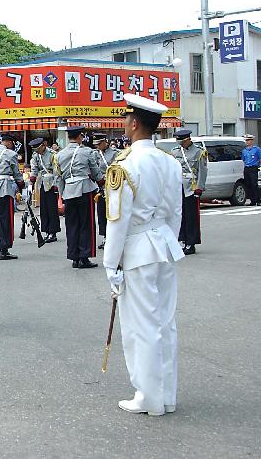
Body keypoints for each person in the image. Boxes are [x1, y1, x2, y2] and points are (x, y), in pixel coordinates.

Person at [104, 93, 184, 416]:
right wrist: (167, 240)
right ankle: (166, 395)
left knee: (141, 325)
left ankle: (148, 396)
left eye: (126, 118)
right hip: (164, 245)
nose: (125, 123)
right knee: (165, 322)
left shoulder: (124, 166)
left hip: (138, 249)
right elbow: (176, 213)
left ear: (134, 123)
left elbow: (118, 221)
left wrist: (111, 264)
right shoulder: (170, 162)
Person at [54, 126, 102, 269]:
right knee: (86, 224)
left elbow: (59, 177)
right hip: (84, 190)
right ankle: (84, 257)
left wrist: (62, 195)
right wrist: (101, 182)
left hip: (69, 191)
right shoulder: (87, 152)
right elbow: (95, 171)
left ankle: (74, 256)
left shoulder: (59, 155)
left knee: (72, 225)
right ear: (80, 137)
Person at [0, 134, 24, 260]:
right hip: (4, 188)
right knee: (5, 219)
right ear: (8, 142)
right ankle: (4, 248)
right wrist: (20, 184)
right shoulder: (10, 154)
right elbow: (16, 172)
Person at [171, 129, 208, 255]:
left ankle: (191, 243)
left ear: (187, 139)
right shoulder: (175, 151)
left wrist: (200, 187)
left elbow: (203, 171)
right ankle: (183, 240)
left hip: (191, 187)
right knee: (180, 215)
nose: (179, 143)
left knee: (191, 216)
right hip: (178, 186)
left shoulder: (199, 152)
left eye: (181, 141)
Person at [28, 138, 60, 243]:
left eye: (38, 149)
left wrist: (56, 185)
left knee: (52, 209)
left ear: (43, 145)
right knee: (44, 209)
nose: (37, 151)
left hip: (51, 183)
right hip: (42, 182)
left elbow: (56, 170)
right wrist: (31, 182)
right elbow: (34, 169)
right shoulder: (36, 155)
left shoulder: (52, 154)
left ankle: (53, 232)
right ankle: (46, 230)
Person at [92, 133, 119, 250]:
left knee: (112, 213)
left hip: (112, 185)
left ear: (105, 142)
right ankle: (105, 237)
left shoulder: (115, 153)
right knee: (101, 213)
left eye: (99, 144)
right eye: (96, 144)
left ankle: (114, 238)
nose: (98, 146)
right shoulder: (95, 154)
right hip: (100, 187)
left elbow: (117, 169)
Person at [242, 134, 261, 206]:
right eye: (246, 140)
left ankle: (258, 200)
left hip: (253, 168)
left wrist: (258, 164)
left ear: (252, 141)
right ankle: (252, 201)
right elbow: (243, 159)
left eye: (248, 140)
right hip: (247, 168)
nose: (247, 142)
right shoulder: (244, 150)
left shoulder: (257, 149)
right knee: (248, 185)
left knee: (254, 184)